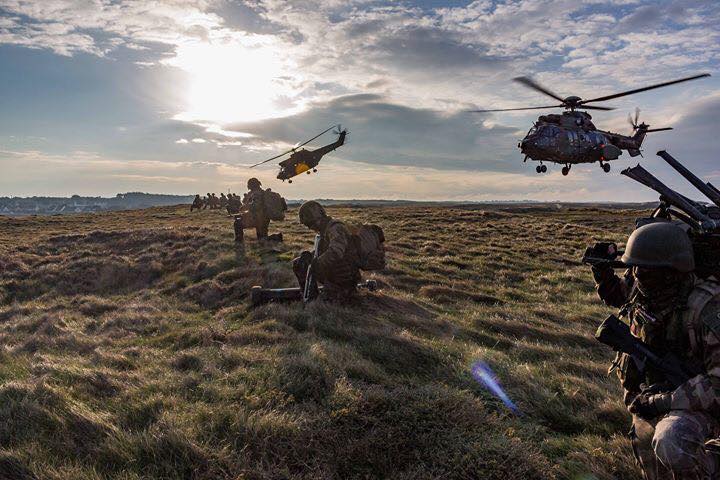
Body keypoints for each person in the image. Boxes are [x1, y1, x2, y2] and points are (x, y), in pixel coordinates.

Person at [591, 222, 719, 479]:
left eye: (645, 272)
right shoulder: (648, 289)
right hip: (655, 394)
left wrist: (662, 402)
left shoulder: (707, 309)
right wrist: (602, 273)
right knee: (650, 458)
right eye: (635, 270)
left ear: (672, 272)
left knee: (671, 441)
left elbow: (718, 386)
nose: (637, 275)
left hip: (701, 406)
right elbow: (621, 295)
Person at [292, 201, 360, 300]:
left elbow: (336, 252)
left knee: (328, 303)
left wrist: (316, 264)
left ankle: (340, 292)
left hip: (344, 276)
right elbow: (323, 251)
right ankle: (310, 296)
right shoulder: (324, 230)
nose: (310, 228)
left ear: (318, 218)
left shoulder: (335, 228)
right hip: (333, 272)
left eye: (310, 224)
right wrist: (308, 256)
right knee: (299, 263)